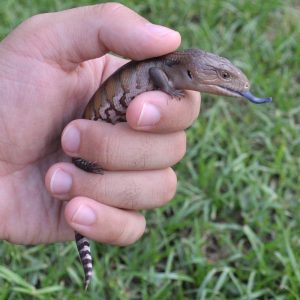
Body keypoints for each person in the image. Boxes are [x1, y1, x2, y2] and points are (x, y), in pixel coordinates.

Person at [0, 4, 200, 246]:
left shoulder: (170, 67)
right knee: (84, 160)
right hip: (85, 136)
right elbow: (157, 74)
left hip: (64, 160)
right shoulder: (164, 69)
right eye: (223, 76)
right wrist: (168, 90)